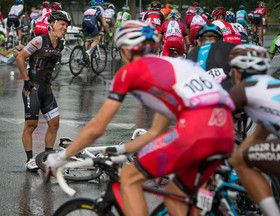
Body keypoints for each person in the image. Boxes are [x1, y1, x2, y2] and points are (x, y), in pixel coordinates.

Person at [45, 20, 235, 216]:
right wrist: (121, 149)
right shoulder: (176, 65)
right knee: (174, 195)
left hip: (196, 131)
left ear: (127, 51)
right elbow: (156, 131)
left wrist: (60, 157)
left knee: (128, 177)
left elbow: (95, 128)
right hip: (225, 131)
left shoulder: (131, 71)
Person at [228, 44, 280, 216]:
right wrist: (230, 163)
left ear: (236, 72)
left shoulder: (243, 88)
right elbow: (258, 136)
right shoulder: (272, 85)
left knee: (243, 162)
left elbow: (212, 123)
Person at [15, 10, 71, 171]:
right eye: (62, 24)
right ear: (52, 24)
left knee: (54, 123)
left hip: (46, 88)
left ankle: (47, 158)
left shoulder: (61, 44)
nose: (65, 28)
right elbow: (20, 57)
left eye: (66, 25)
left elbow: (49, 66)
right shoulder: (39, 40)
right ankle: (29, 160)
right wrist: (26, 81)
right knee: (31, 125)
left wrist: (49, 81)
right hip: (32, 87)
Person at [187, 23, 235, 91]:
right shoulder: (226, 46)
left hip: (198, 92)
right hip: (224, 90)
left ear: (198, 42)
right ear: (220, 40)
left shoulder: (191, 53)